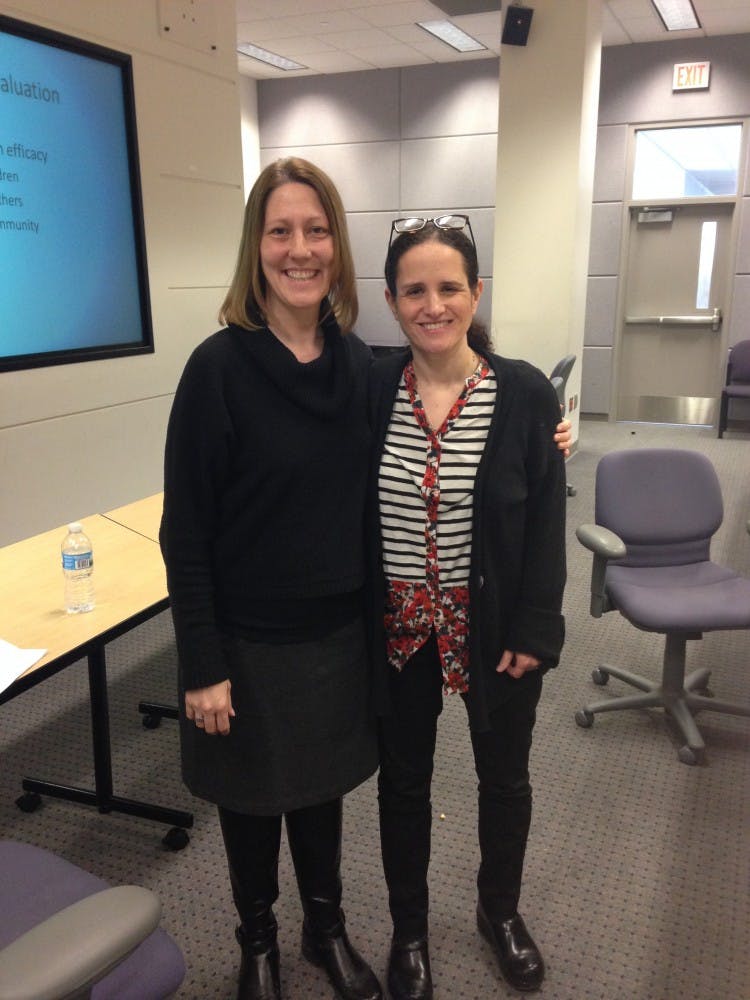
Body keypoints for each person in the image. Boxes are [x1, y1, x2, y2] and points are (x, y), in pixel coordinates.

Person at [159, 158, 383, 1000]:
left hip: (334, 640)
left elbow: (456, 377)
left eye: (316, 230)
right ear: (256, 249)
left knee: (319, 794)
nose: (300, 249)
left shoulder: (359, 366)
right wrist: (201, 664)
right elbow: (185, 533)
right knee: (250, 803)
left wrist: (538, 421)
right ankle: (257, 944)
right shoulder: (217, 369)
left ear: (337, 245)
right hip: (244, 646)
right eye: (281, 231)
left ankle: (324, 931)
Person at [367, 215, 567, 999]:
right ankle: (408, 932)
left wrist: (535, 628)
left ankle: (499, 913)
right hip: (399, 630)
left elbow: (547, 517)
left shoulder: (522, 394)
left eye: (449, 287)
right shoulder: (370, 387)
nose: (433, 304)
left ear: (475, 292)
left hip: (493, 629)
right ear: (391, 300)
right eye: (414, 290)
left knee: (504, 781)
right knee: (403, 784)